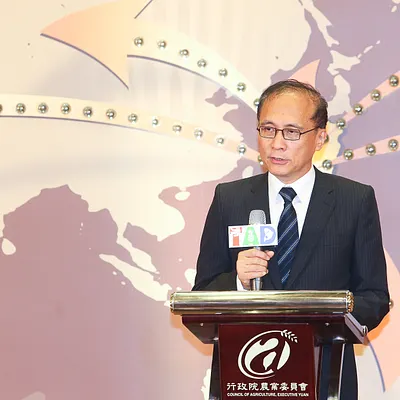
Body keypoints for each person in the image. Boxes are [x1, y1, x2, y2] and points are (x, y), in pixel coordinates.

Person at [192, 79, 390, 400]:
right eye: (268, 130)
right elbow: (202, 294)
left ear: (320, 137)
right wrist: (239, 282)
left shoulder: (354, 201)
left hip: (325, 377)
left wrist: (328, 316)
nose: (277, 144)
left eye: (292, 132)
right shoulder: (230, 199)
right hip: (246, 377)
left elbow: (375, 298)